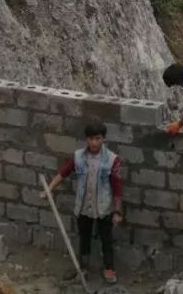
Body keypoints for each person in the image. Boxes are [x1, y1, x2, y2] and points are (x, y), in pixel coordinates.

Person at [41, 121, 124, 285]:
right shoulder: (78, 156)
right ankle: (83, 269)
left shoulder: (112, 160)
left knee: (106, 239)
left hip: (103, 207)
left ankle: (109, 269)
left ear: (103, 139)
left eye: (98, 139)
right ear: (86, 139)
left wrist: (117, 211)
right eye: (91, 139)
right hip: (84, 206)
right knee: (84, 238)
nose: (94, 143)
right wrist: (49, 189)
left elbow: (117, 187)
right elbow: (63, 173)